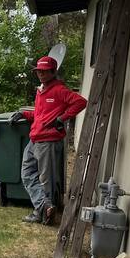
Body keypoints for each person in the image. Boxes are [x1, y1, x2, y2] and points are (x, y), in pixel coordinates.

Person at [10, 55, 87, 225]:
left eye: (45, 71)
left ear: (53, 72)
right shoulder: (41, 91)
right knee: (27, 174)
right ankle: (45, 206)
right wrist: (24, 114)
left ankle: (43, 215)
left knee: (46, 180)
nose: (41, 74)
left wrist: (62, 119)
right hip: (35, 139)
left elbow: (81, 102)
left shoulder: (59, 90)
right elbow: (40, 115)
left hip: (49, 141)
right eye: (38, 71)